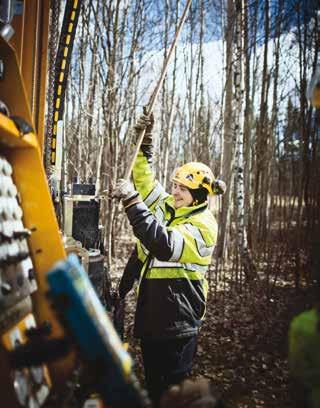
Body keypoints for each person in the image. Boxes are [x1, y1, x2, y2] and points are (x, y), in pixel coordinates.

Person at [114, 111, 226, 406]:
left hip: (178, 324)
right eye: (174, 185)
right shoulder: (169, 207)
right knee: (153, 389)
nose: (174, 191)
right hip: (152, 320)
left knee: (173, 393)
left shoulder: (204, 226)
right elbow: (144, 180)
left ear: (200, 196)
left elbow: (163, 244)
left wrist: (131, 202)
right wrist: (144, 145)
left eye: (182, 189)